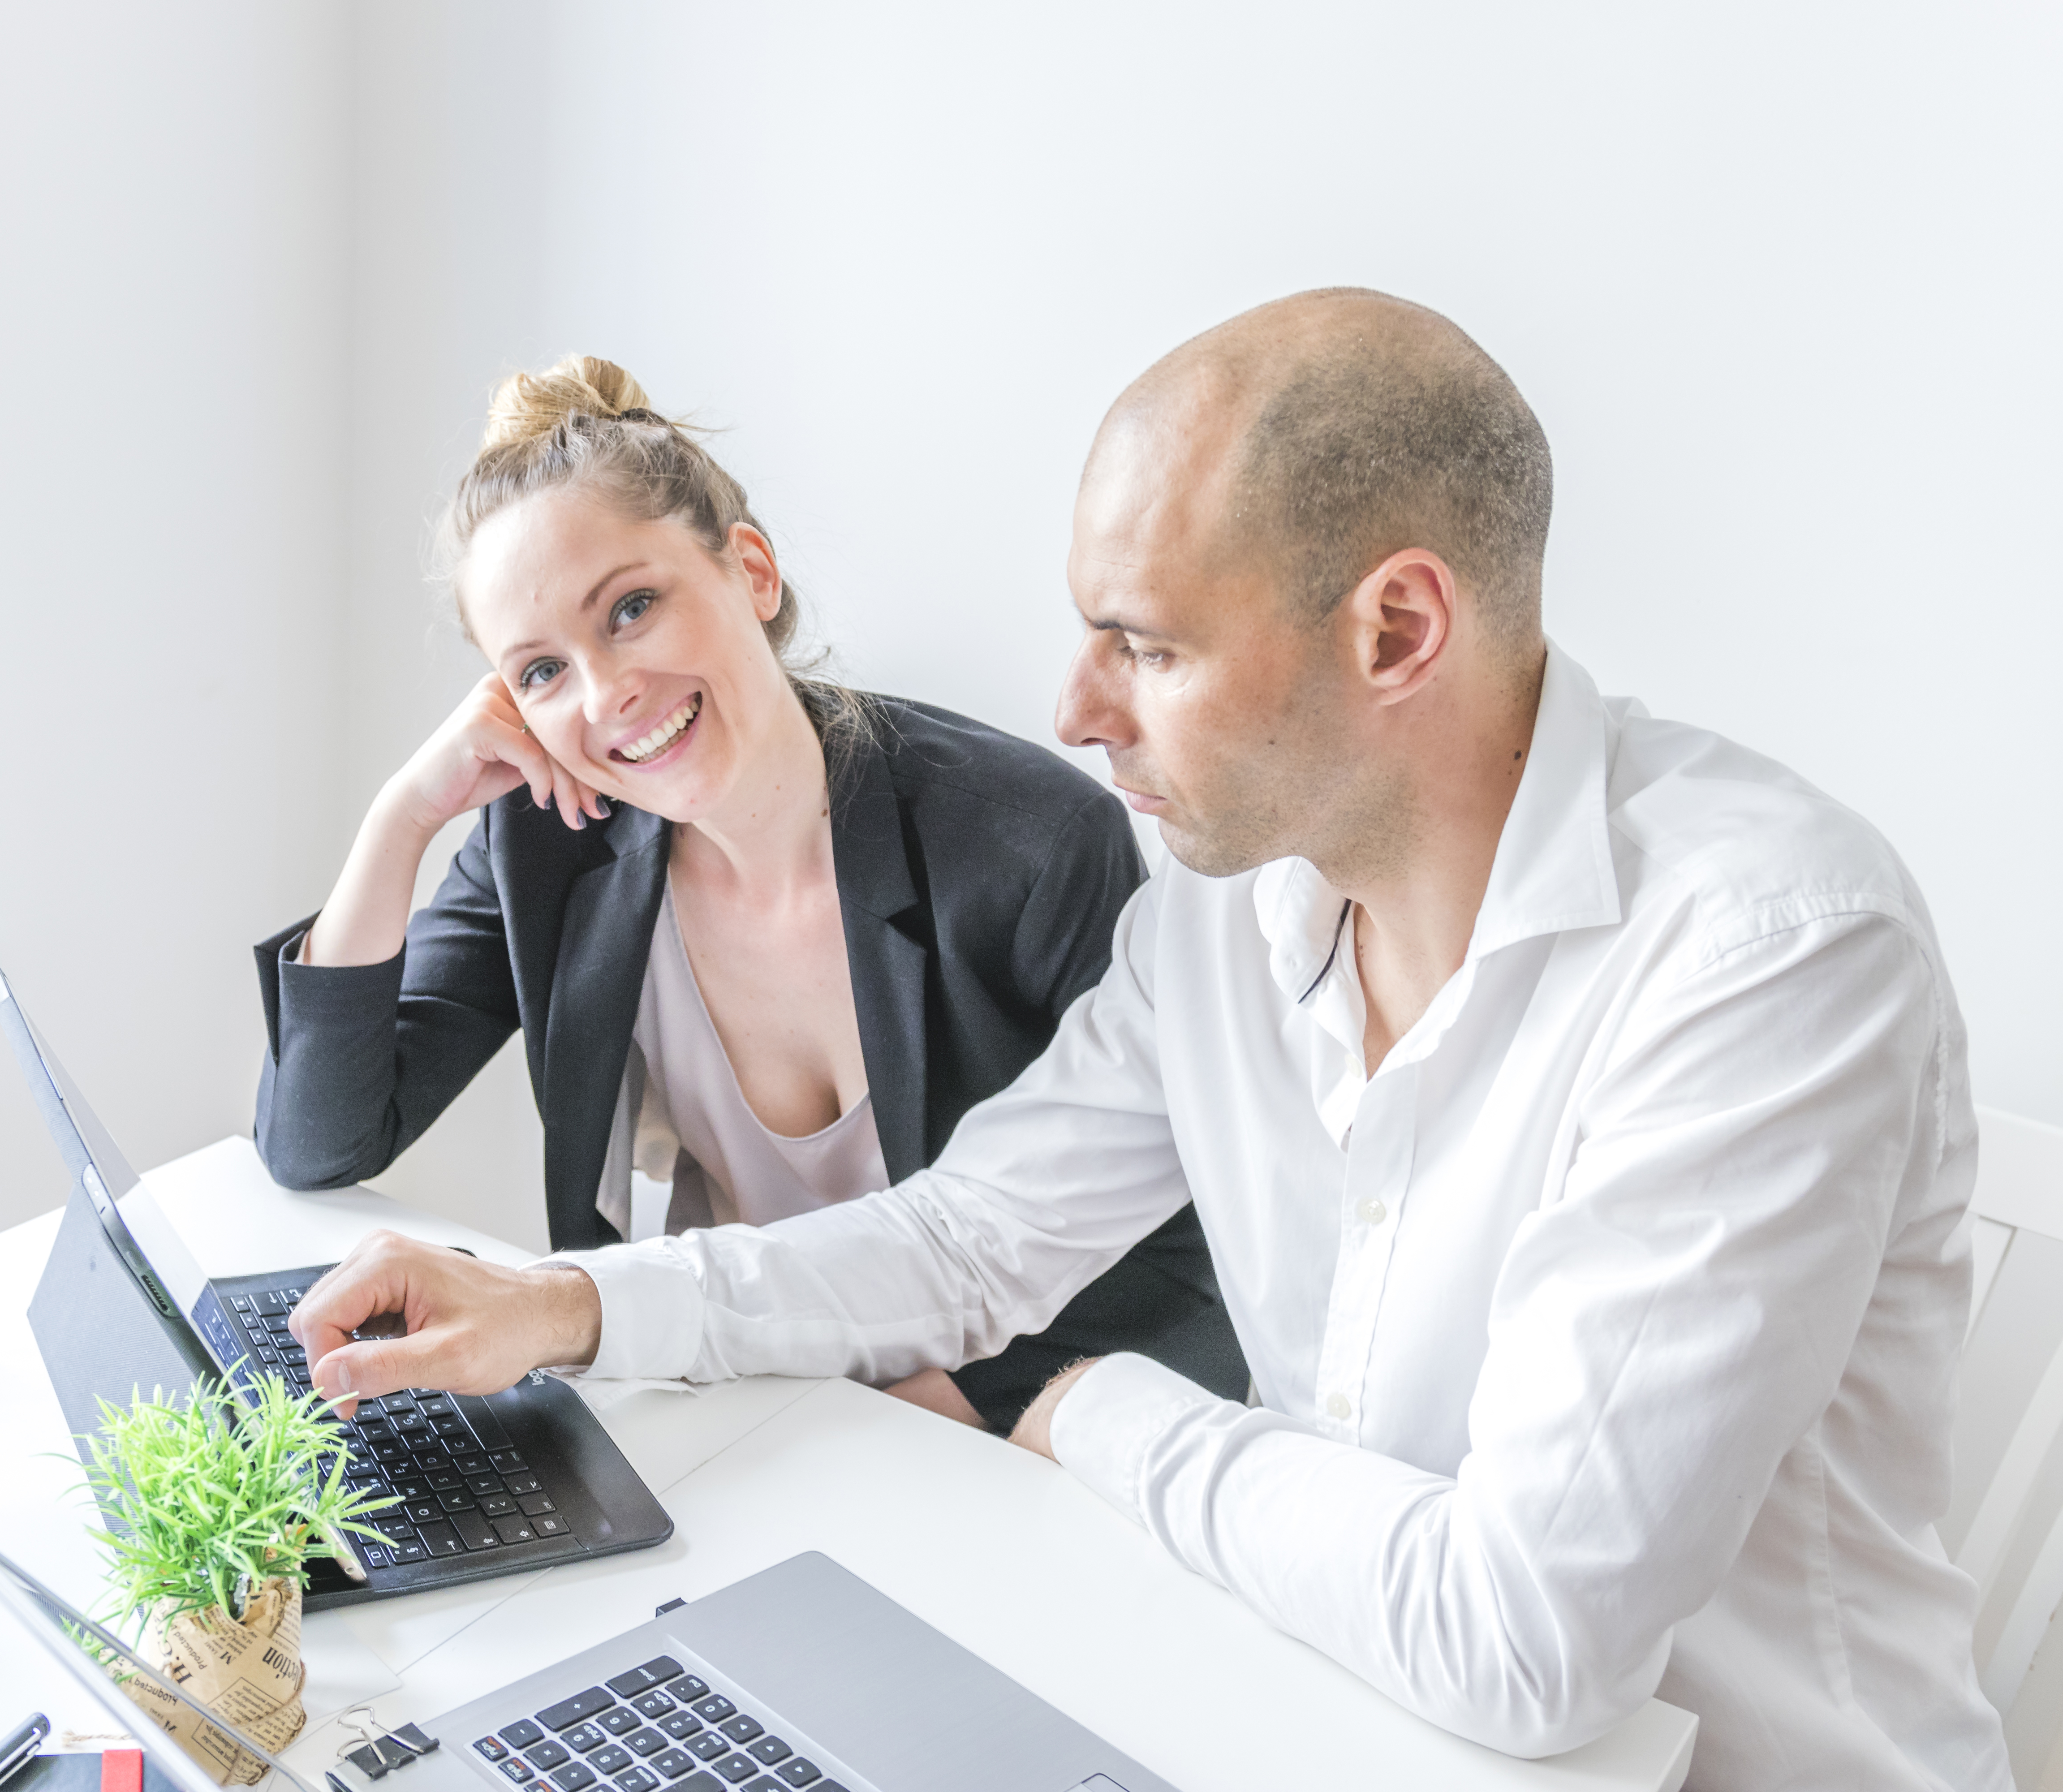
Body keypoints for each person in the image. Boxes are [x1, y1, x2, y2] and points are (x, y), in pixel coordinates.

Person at [283, 295, 2010, 1788]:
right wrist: (570, 1308)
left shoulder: (1769, 955)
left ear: (1396, 630)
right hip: (1312, 1696)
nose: (1073, 710)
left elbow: (1527, 1643)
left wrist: (1106, 1413)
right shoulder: (1227, 909)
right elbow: (967, 1236)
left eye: (1147, 645)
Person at [252, 356, 1245, 1433]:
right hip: (704, 1402)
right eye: (539, 671)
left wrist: (931, 1413)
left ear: (752, 573)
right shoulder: (550, 839)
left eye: (631, 608)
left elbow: (1192, 1256)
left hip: (963, 1430)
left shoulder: (1030, 843)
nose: (606, 693)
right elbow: (320, 1138)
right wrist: (403, 816)